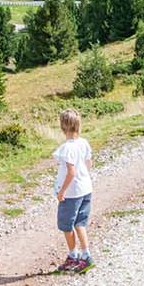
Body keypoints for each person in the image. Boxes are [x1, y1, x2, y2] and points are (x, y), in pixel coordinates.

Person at [52, 109, 94, 273]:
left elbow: (71, 172)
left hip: (71, 193)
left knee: (66, 225)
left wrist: (62, 191)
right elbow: (89, 163)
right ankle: (86, 255)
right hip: (85, 188)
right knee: (80, 223)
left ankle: (73, 255)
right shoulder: (83, 143)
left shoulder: (66, 148)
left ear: (63, 126)